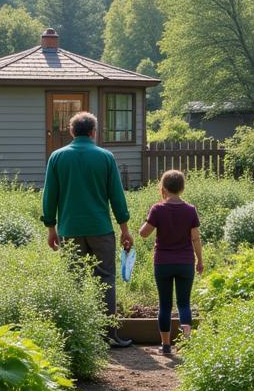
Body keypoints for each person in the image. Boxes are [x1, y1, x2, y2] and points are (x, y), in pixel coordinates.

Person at [41, 110, 135, 347]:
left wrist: (51, 228)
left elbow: (49, 195)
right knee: (105, 280)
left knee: (74, 280)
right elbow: (116, 195)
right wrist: (124, 228)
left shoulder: (57, 157)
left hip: (70, 229)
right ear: (94, 132)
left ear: (72, 131)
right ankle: (109, 334)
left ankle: (75, 337)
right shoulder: (105, 157)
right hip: (100, 229)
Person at [139, 168, 203, 356]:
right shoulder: (190, 210)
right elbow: (195, 239)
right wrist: (200, 260)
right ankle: (187, 341)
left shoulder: (158, 209)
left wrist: (150, 218)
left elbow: (143, 233)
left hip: (163, 263)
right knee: (184, 303)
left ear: (163, 188)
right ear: (182, 188)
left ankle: (166, 346)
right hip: (185, 263)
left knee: (165, 304)